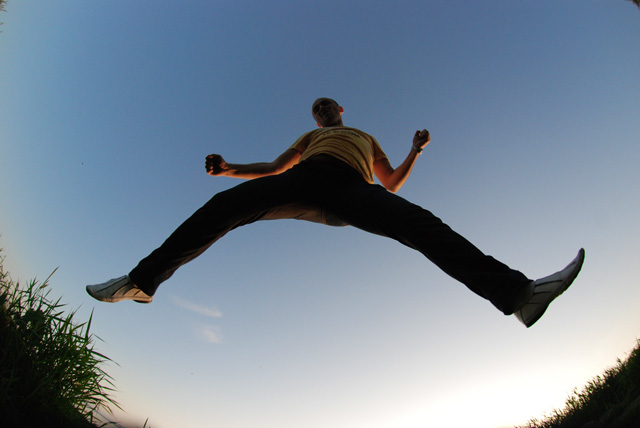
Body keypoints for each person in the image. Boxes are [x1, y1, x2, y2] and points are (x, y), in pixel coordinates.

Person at [86, 97, 585, 328]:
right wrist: (229, 168)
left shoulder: (365, 137)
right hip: (306, 179)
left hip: (352, 189)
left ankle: (518, 295)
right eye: (316, 110)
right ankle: (142, 282)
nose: (321, 111)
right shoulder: (311, 137)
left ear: (341, 109)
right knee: (225, 206)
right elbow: (275, 168)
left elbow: (390, 182)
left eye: (326, 107)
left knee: (421, 225)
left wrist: (414, 151)